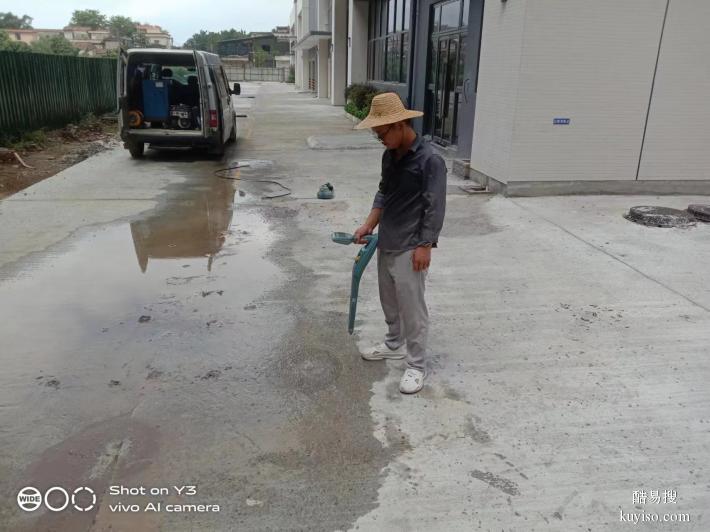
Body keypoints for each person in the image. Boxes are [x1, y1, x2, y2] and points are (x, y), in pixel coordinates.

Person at [352, 92, 447, 394]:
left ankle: (417, 365)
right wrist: (369, 224)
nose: (380, 140)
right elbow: (383, 194)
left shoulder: (430, 160)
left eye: (382, 134)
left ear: (400, 124)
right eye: (376, 135)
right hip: (387, 241)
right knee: (389, 301)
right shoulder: (389, 157)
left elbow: (435, 206)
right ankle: (394, 343)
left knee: (412, 309)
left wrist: (425, 245)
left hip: (411, 245)